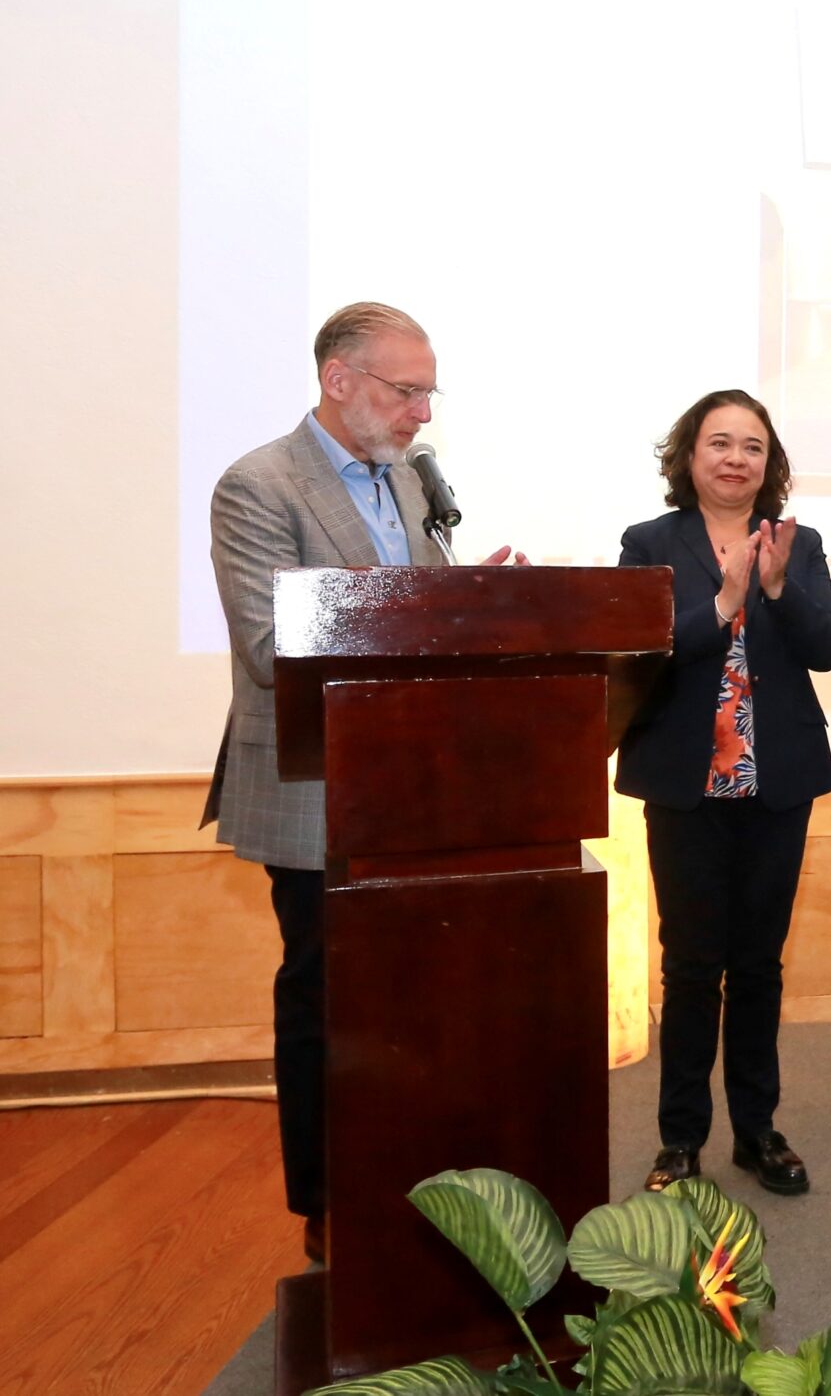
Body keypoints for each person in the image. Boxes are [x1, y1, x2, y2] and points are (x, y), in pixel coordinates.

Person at [205, 301, 522, 1260]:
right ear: (338, 380)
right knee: (328, 998)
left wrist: (472, 604)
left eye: (429, 393)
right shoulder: (259, 485)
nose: (422, 413)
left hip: (417, 789)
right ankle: (329, 1204)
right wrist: (432, 613)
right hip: (317, 788)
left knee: (416, 1003)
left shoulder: (412, 485)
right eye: (406, 391)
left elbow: (407, 620)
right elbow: (273, 643)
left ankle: (414, 1180)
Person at [617, 392, 831, 1197]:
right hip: (688, 783)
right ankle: (680, 1140)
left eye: (752, 446)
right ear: (690, 455)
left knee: (757, 967)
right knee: (689, 966)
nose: (736, 459)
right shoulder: (649, 543)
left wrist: (778, 588)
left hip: (775, 782)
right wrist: (722, 603)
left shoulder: (799, 543)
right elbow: (638, 650)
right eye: (720, 442)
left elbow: (827, 648)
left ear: (768, 463)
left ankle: (758, 1132)